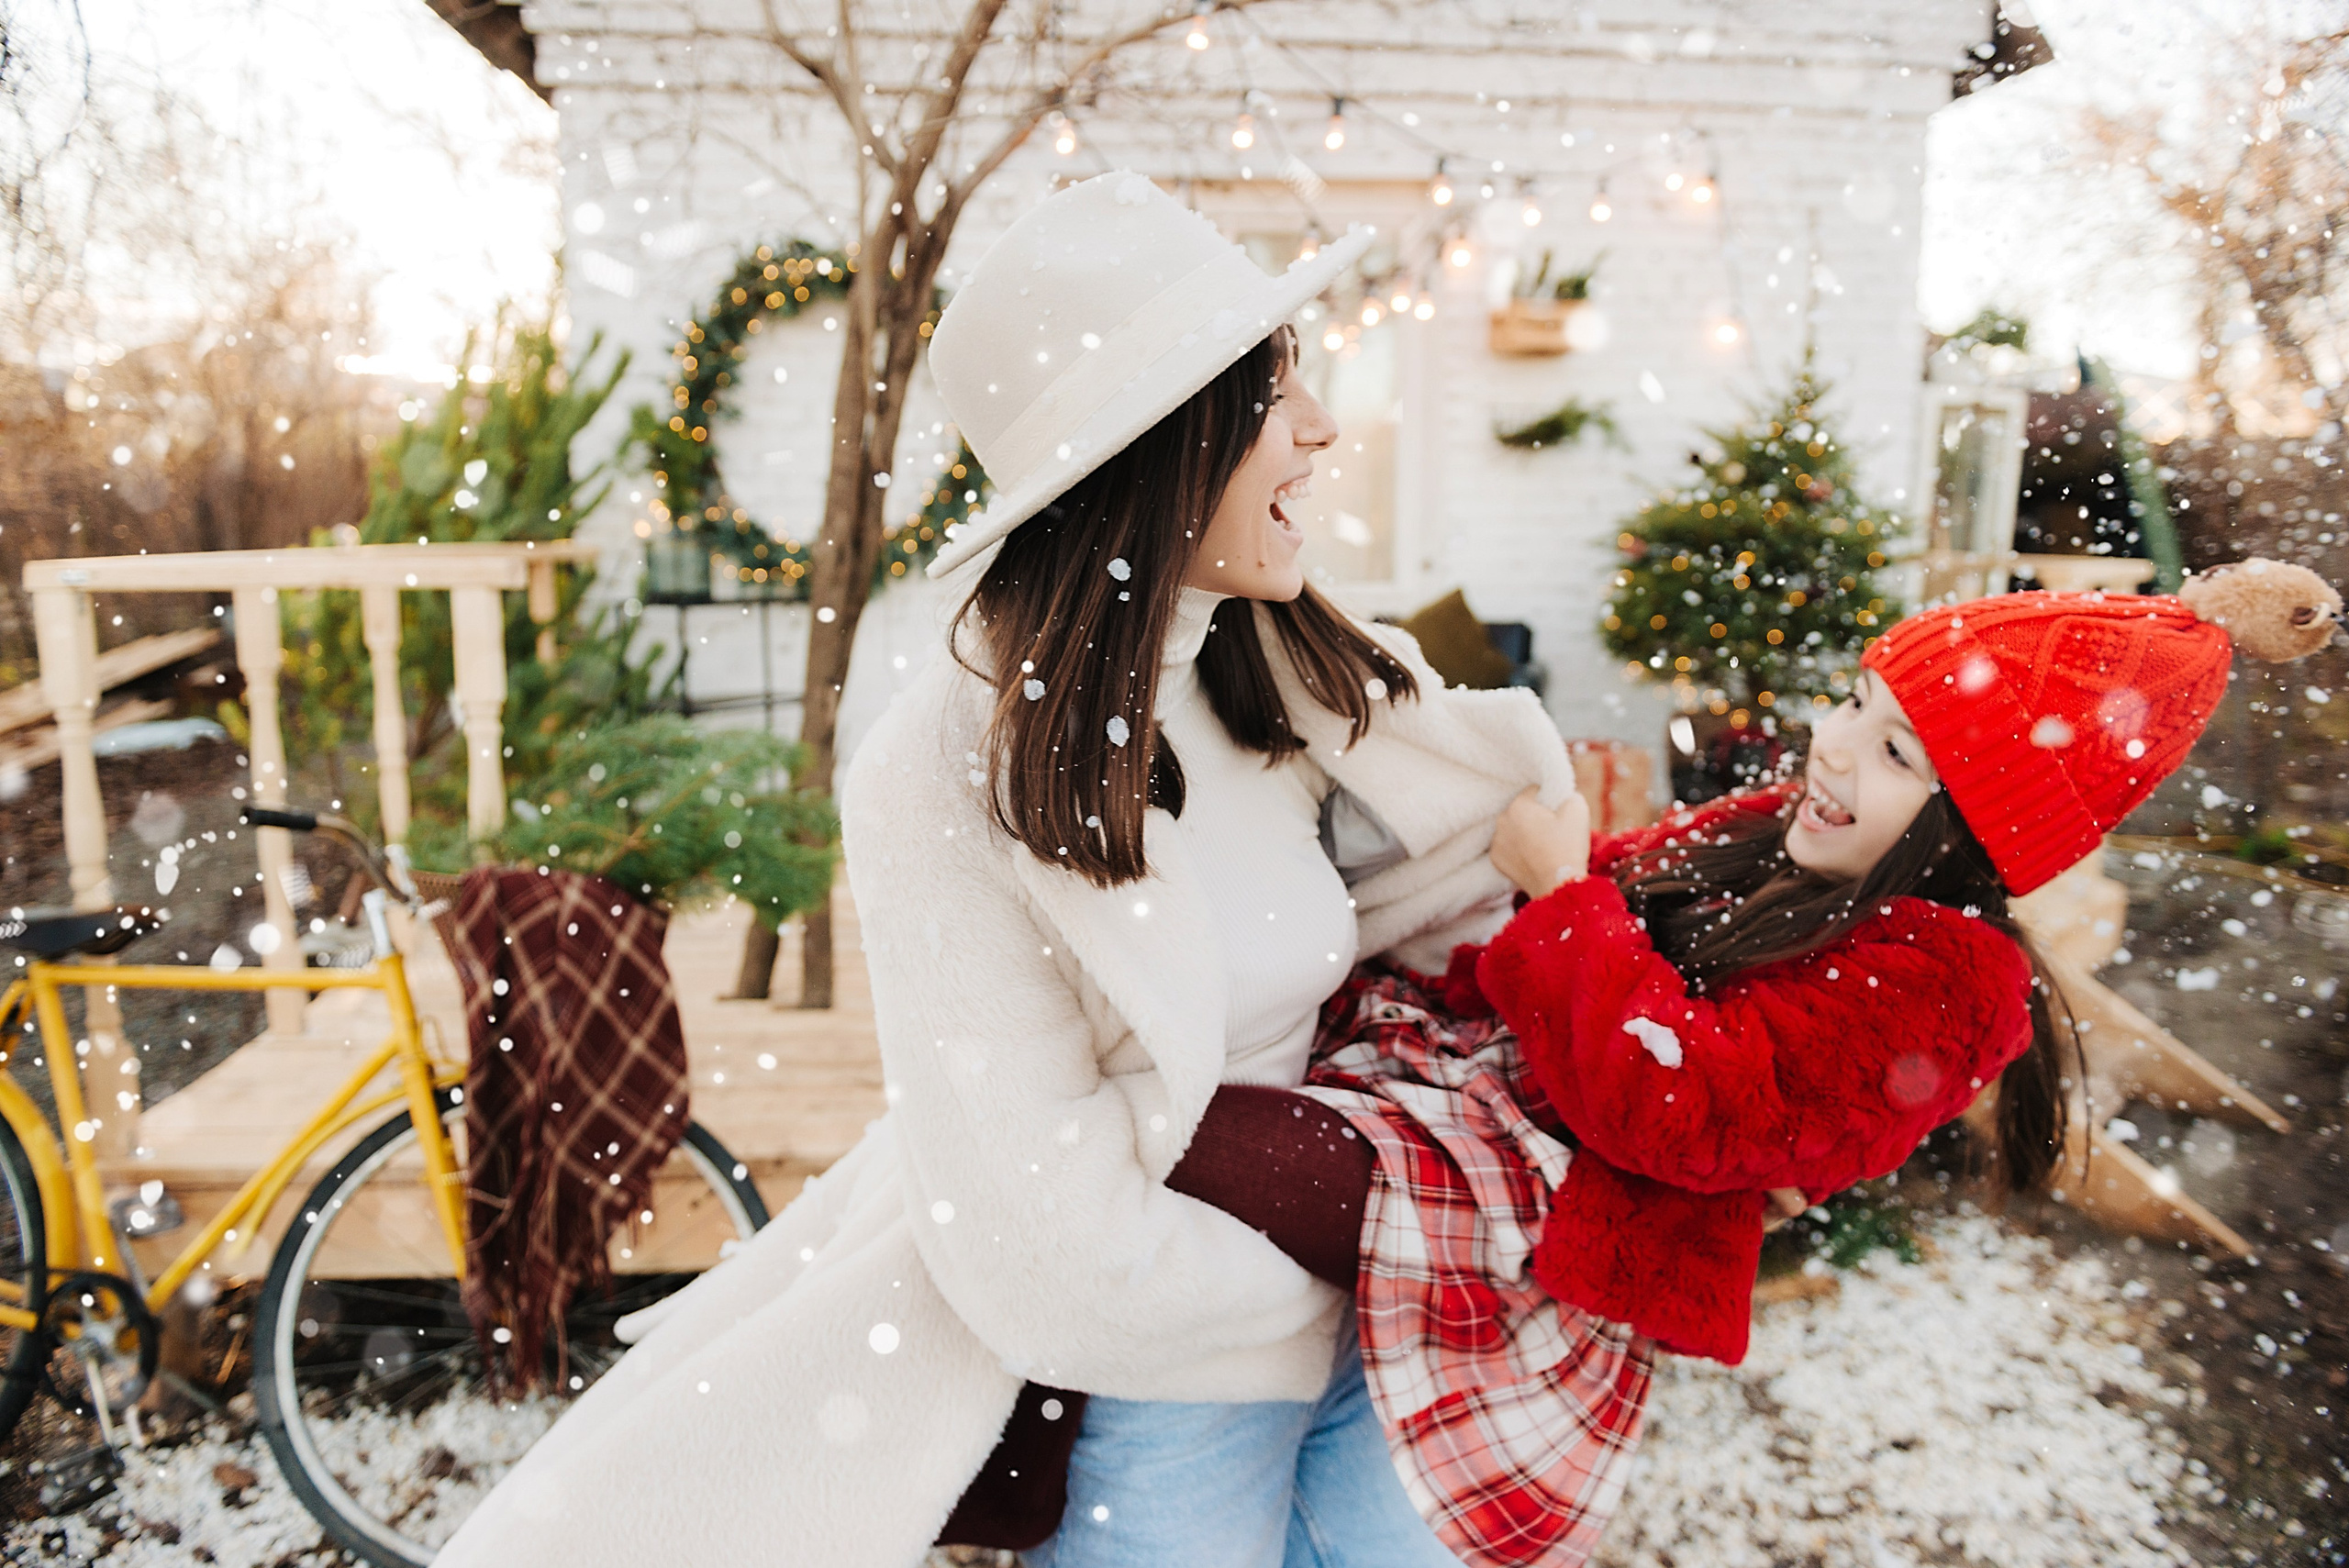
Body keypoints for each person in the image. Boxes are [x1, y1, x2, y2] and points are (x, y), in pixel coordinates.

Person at [435, 170, 1621, 1568]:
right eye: (1270, 396)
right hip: (1171, 1375)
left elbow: (1444, 893)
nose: (1319, 428)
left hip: (1367, 1301)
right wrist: (1366, 1267)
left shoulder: (1277, 669)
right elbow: (1056, 1245)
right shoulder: (946, 772)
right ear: (1160, 449)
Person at [1161, 555, 2340, 1565]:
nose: (1829, 748)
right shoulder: (1778, 833)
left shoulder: (1949, 976)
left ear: (1969, 834)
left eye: (1894, 751)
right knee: (1282, 1389)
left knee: (1343, 1490)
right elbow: (1608, 904)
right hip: (1481, 1132)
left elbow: (1686, 1107)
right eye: (1853, 703)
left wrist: (1559, 893)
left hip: (1563, 1234)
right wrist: (1467, 936)